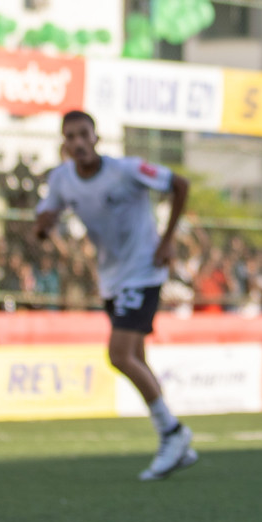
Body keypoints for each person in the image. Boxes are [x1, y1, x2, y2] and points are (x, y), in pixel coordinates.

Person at [34, 110, 196, 481]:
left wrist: (168, 239)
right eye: (70, 137)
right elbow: (44, 219)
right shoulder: (61, 179)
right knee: (135, 356)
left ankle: (173, 433)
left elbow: (180, 184)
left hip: (143, 270)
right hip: (111, 278)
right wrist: (43, 227)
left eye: (83, 135)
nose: (77, 142)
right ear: (64, 144)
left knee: (118, 355)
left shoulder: (127, 169)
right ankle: (173, 439)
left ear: (96, 138)